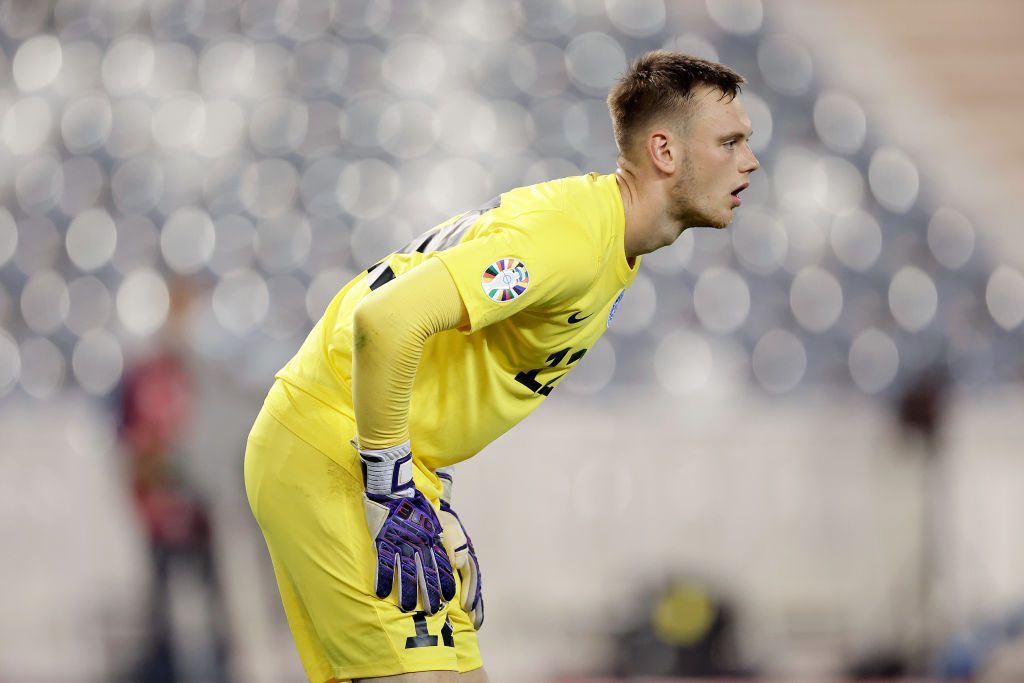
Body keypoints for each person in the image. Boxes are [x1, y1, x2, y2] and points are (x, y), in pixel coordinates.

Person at [243, 50, 759, 683]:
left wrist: (435, 495)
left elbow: (453, 366)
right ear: (665, 151)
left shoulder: (605, 237)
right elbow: (385, 321)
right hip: (338, 449)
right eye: (730, 142)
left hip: (368, 452)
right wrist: (392, 489)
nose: (749, 161)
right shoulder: (571, 240)